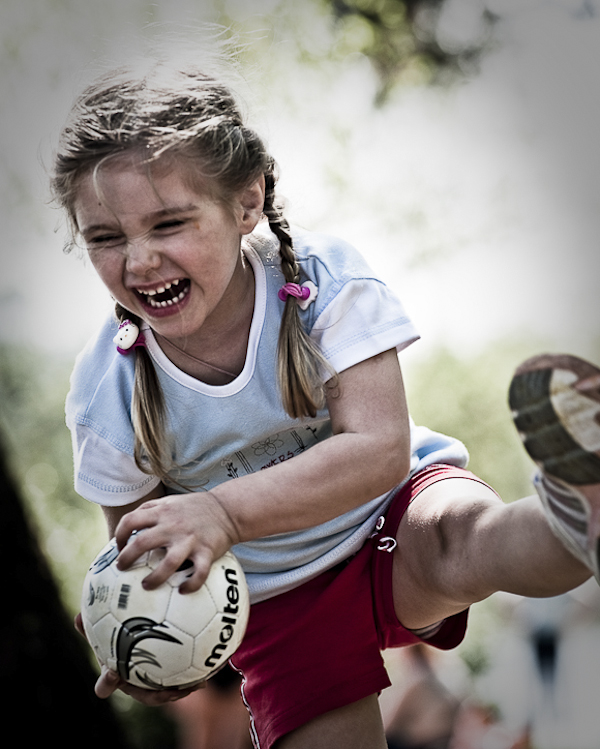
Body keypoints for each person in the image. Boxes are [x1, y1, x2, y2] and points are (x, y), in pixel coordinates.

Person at [52, 54, 600, 749]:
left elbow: (379, 449)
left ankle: (577, 513)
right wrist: (146, 635)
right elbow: (147, 555)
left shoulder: (319, 281)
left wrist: (222, 509)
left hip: (387, 512)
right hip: (273, 606)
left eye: (168, 224)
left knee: (465, 540)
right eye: (105, 238)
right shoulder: (108, 389)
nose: (138, 261)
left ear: (245, 202)